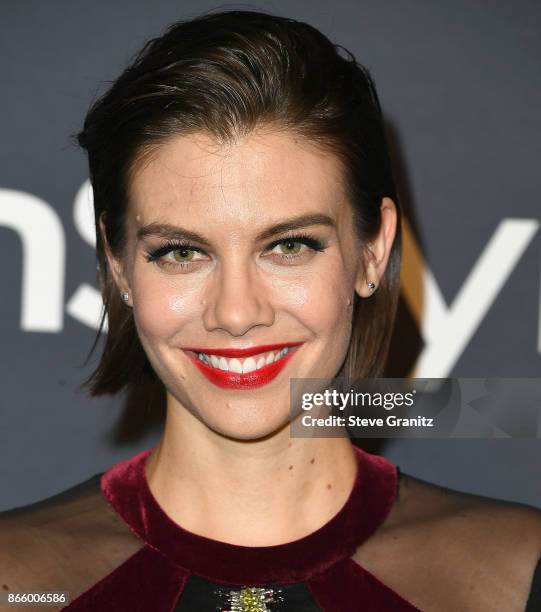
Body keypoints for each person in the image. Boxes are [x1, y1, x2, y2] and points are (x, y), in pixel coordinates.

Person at [1, 9, 541, 611]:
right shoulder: (15, 579)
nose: (236, 312)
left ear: (373, 252)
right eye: (181, 252)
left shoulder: (516, 574)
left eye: (289, 246)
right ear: (119, 266)